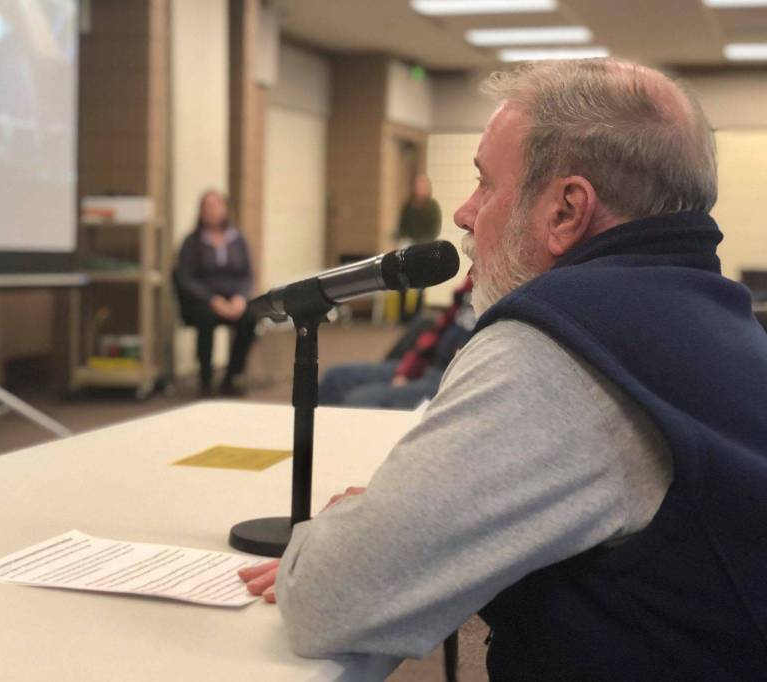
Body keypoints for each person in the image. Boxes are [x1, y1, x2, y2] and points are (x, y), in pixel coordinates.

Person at [239, 58, 767, 680]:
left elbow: (334, 599)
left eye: (485, 184)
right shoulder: (718, 319)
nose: (463, 213)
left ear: (567, 211)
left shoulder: (562, 342)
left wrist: (351, 529)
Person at [318, 278, 474, 409]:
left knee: (360, 400)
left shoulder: (496, 297)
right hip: (427, 367)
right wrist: (407, 372)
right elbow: (437, 331)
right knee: (335, 378)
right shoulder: (473, 281)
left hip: (452, 381)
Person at [176, 190, 256, 397]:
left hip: (233, 298)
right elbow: (185, 279)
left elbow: (248, 275)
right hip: (203, 301)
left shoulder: (237, 239)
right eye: (208, 206)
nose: (213, 210)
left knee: (250, 318)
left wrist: (241, 296)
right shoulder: (191, 242)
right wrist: (212, 300)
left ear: (225, 209)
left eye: (217, 205)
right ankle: (206, 379)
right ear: (201, 212)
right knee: (206, 318)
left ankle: (231, 376)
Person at [394, 173, 443, 320]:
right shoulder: (408, 205)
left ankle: (416, 313)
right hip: (408, 243)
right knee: (401, 272)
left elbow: (434, 229)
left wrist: (421, 243)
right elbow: (402, 227)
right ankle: (402, 313)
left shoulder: (433, 207)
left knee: (421, 278)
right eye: (417, 185)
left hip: (424, 244)